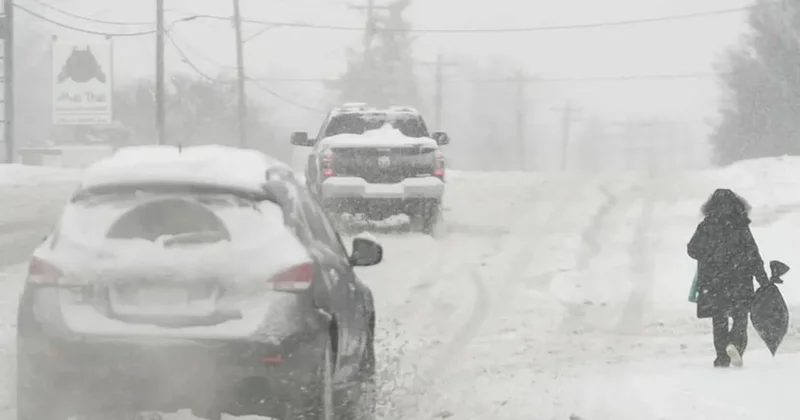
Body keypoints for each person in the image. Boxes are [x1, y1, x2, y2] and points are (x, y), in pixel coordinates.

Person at [687, 188, 768, 368]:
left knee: (719, 320)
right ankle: (735, 344)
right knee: (740, 317)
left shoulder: (706, 226)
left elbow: (692, 249)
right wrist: (762, 279)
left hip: (714, 281)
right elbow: (753, 254)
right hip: (740, 279)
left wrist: (709, 255)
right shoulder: (740, 225)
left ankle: (721, 357)